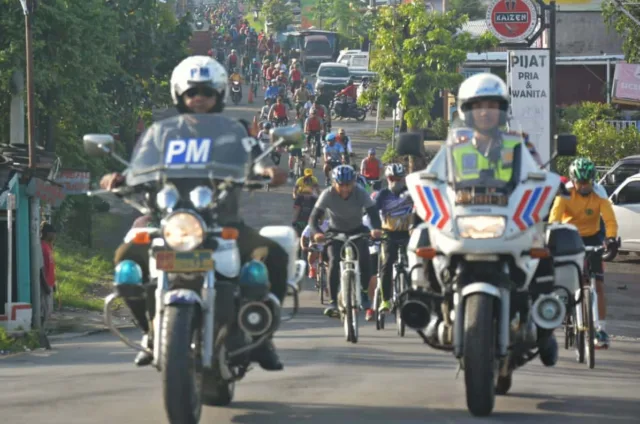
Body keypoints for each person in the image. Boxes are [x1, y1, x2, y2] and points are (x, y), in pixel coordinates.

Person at [100, 56, 289, 371]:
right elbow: (139, 167)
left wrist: (267, 170)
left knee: (274, 255)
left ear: (219, 95)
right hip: (169, 225)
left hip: (223, 224)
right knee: (126, 258)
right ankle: (150, 332)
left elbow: (255, 157)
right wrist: (119, 177)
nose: (198, 98)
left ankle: (261, 334)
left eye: (206, 91)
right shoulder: (162, 133)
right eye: (192, 92)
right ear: (180, 96)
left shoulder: (234, 130)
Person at [549, 157, 619, 349]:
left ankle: (601, 330)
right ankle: (563, 306)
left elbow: (610, 220)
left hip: (593, 236)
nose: (584, 186)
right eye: (580, 182)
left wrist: (611, 238)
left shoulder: (599, 193)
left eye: (587, 182)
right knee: (563, 277)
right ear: (574, 180)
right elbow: (555, 218)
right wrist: (551, 237)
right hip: (568, 236)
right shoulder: (565, 193)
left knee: (598, 285)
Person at [309, 165, 383, 317]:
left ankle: (363, 293)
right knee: (334, 260)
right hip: (335, 232)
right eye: (341, 185)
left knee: (365, 258)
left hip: (357, 230)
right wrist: (317, 233)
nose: (345, 189)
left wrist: (376, 229)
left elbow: (373, 214)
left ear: (354, 183)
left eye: (348, 185)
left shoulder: (360, 193)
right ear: (334, 183)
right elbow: (313, 218)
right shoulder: (327, 194)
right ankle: (333, 302)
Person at [374, 164, 413, 319]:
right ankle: (385, 300)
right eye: (392, 179)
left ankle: (413, 296)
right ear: (387, 179)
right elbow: (371, 212)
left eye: (399, 179)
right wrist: (374, 229)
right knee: (386, 264)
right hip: (388, 234)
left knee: (415, 264)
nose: (395, 182)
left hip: (407, 234)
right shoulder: (382, 194)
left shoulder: (411, 194)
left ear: (403, 179)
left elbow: (424, 209)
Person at [40, 223, 57, 325]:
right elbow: (40, 268)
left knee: (49, 310)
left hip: (50, 283)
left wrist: (53, 283)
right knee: (44, 310)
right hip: (44, 284)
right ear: (48, 233)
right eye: (53, 233)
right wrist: (45, 284)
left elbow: (50, 266)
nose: (55, 236)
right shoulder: (42, 247)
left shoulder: (49, 246)